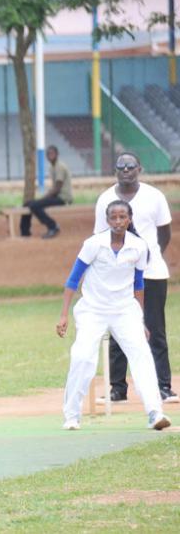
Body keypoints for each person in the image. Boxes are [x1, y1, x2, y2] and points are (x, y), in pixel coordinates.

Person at [57, 200, 171, 431]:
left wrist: (140, 320)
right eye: (114, 218)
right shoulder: (93, 244)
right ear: (107, 220)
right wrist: (63, 315)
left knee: (141, 353)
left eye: (122, 217)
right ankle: (72, 415)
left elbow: (138, 285)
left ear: (129, 219)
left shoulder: (139, 246)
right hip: (92, 309)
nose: (118, 222)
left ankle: (155, 412)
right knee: (82, 356)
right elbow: (73, 279)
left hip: (124, 310)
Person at [93, 152, 176, 404]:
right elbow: (100, 238)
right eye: (121, 167)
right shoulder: (105, 199)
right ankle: (118, 388)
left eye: (130, 166)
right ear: (115, 171)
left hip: (152, 273)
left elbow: (165, 232)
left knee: (153, 329)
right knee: (118, 330)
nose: (126, 170)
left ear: (139, 168)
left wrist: (150, 257)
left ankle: (163, 386)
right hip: (119, 277)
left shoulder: (154, 197)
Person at [20, 145, 72, 239]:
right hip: (57, 196)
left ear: (57, 154)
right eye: (48, 154)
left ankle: (53, 226)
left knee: (35, 205)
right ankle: (25, 232)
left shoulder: (60, 167)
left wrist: (43, 198)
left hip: (63, 198)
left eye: (52, 153)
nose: (50, 156)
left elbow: (57, 189)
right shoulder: (52, 167)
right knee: (28, 204)